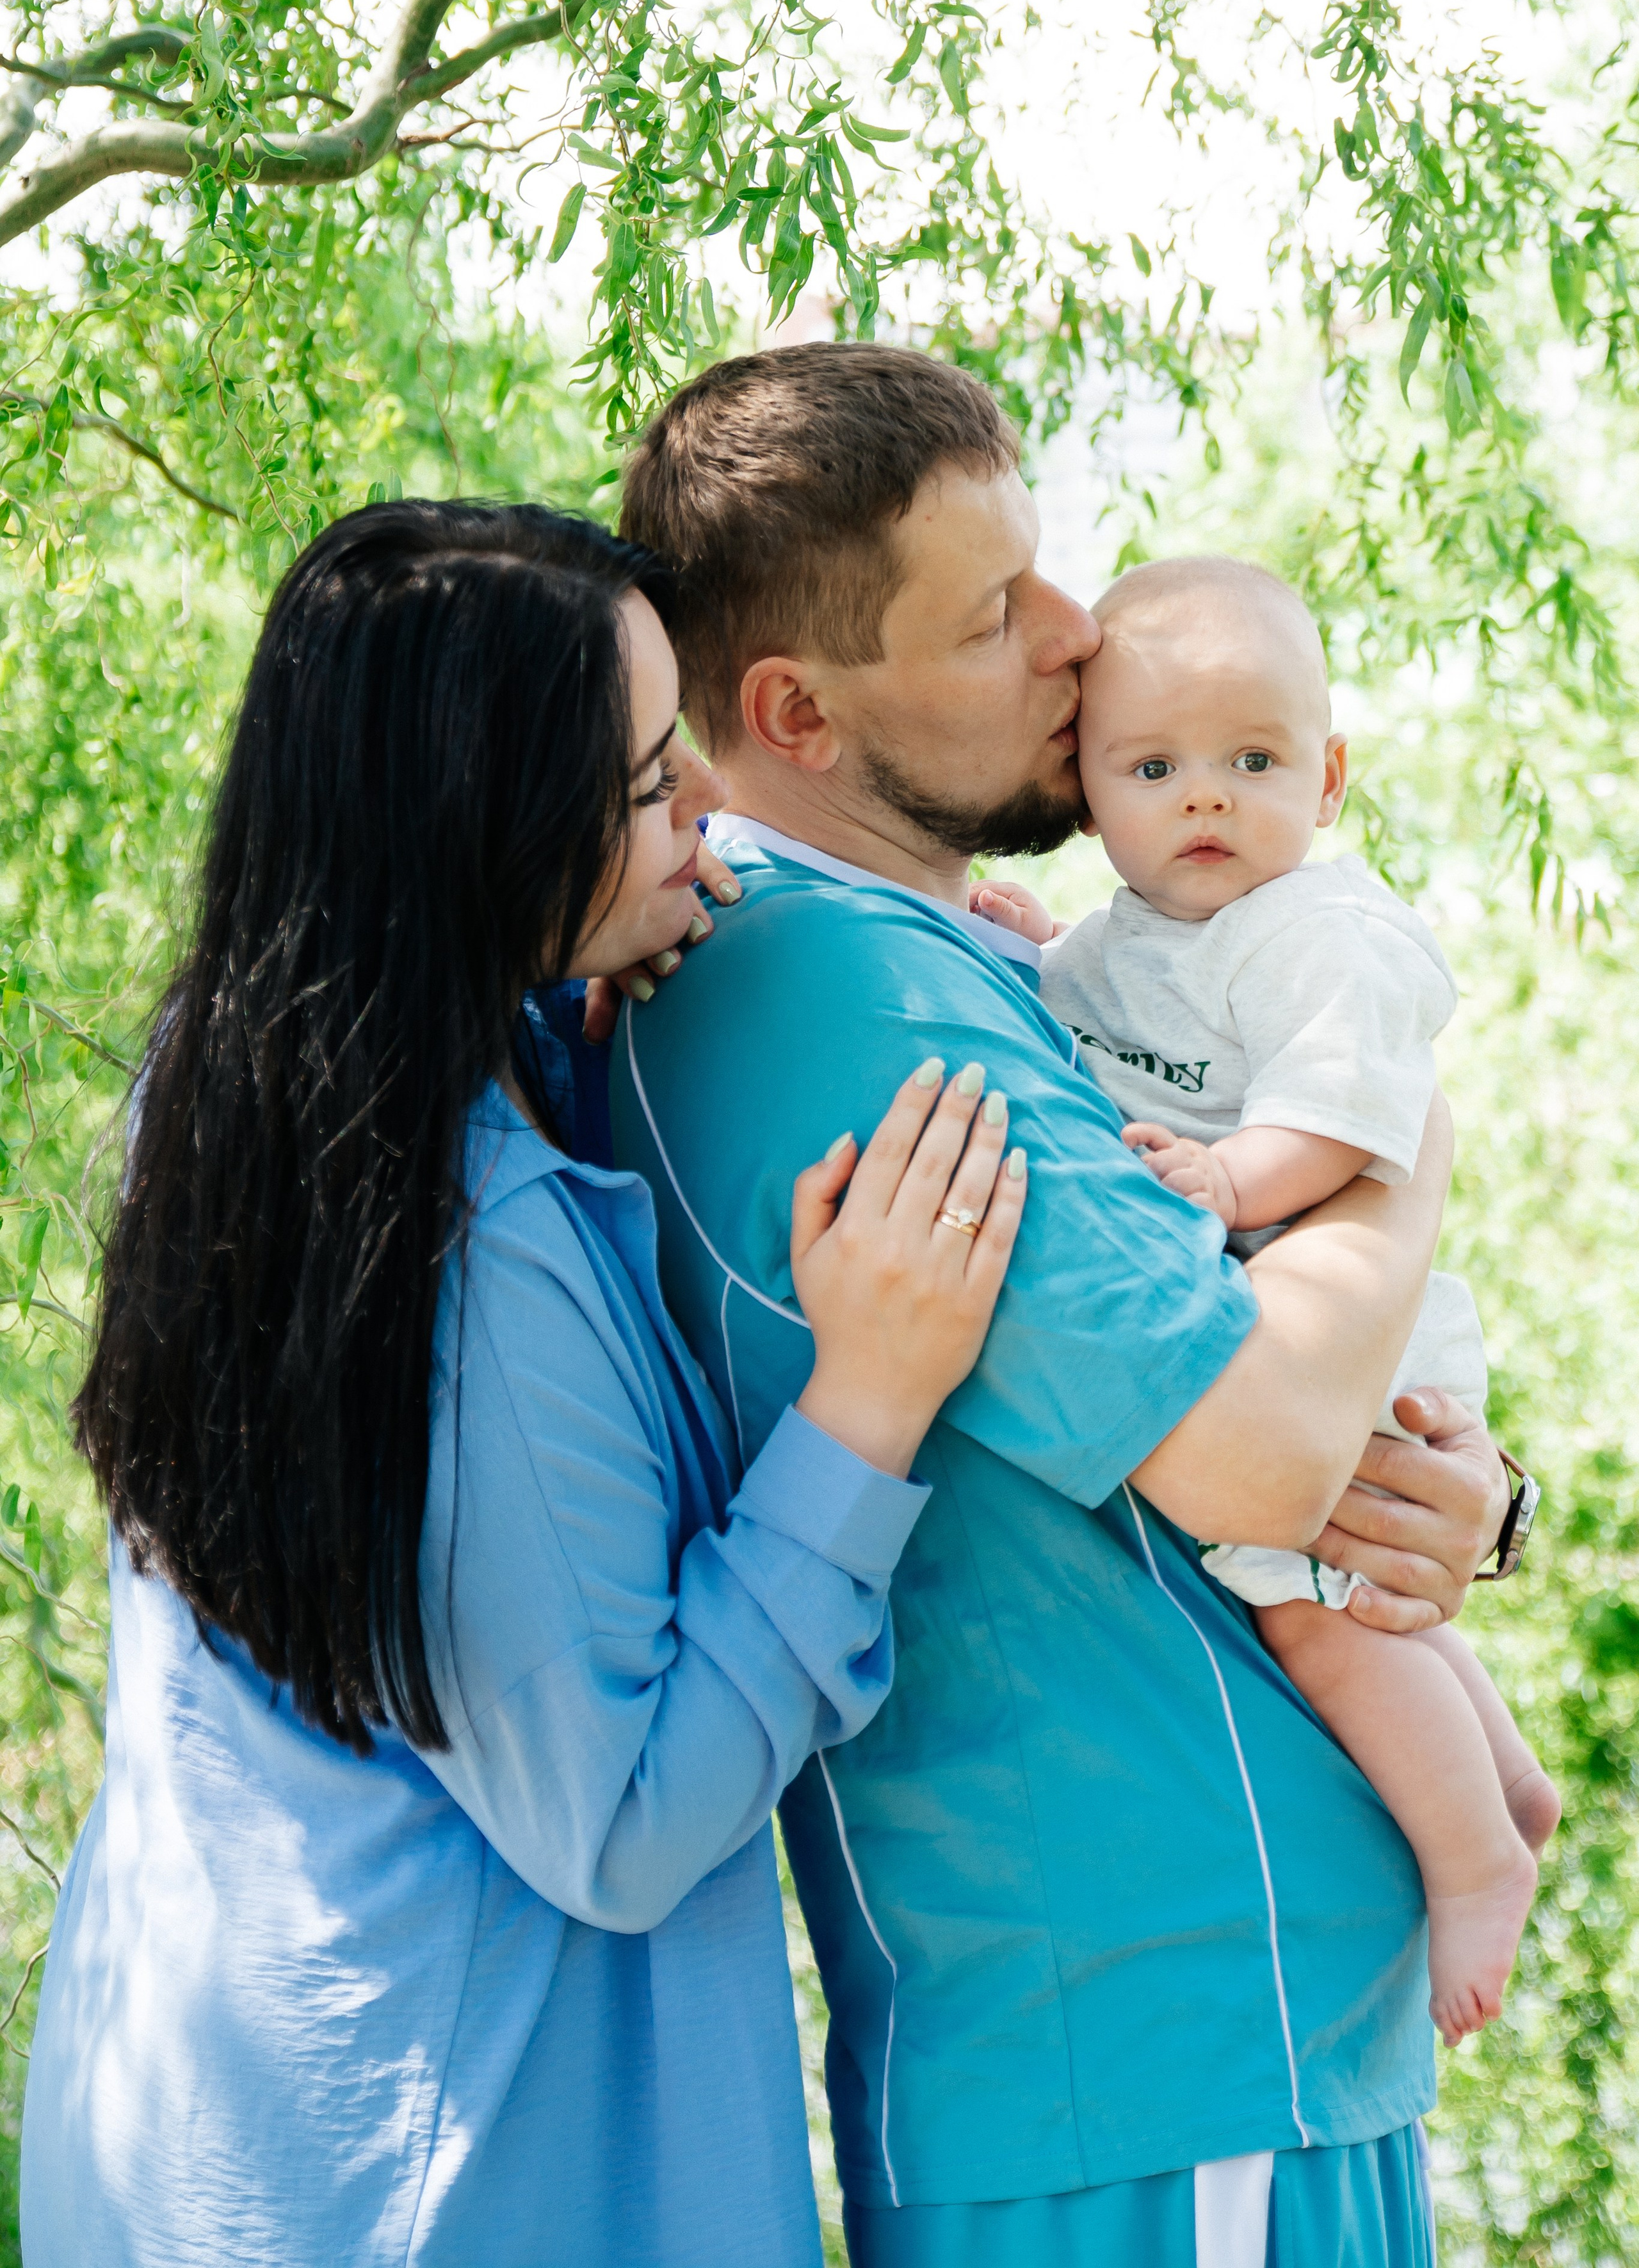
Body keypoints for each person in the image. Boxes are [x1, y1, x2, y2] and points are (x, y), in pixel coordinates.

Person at [20, 501, 1028, 2268]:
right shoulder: (461, 1248)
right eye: (648, 785)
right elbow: (625, 1822)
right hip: (458, 2180)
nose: (709, 806)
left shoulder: (237, 1085)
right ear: (475, 837)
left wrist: (579, 980)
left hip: (215, 2135)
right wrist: (868, 1403)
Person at [611, 344, 1522, 2268]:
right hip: (1148, 2059)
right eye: (992, 612)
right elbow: (1264, 1445)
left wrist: (1470, 1499)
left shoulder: (964, 959)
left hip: (1227, 2049)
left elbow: (1267, 1379)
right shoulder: (850, 998)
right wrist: (1407, 1146)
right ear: (800, 711)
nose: (1074, 631)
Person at [979, 552, 1558, 2050]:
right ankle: (1504, 1777)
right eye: (1152, 767)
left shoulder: (1323, 933)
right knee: (1355, 1590)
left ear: (1330, 774)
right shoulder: (1133, 930)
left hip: (1353, 1325)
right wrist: (1032, 950)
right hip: (1299, 1295)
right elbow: (1118, 1027)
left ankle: (1473, 1857)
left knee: (1305, 1606)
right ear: (1088, 789)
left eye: (1251, 762)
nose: (1205, 802)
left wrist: (1233, 1182)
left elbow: (1349, 1118)